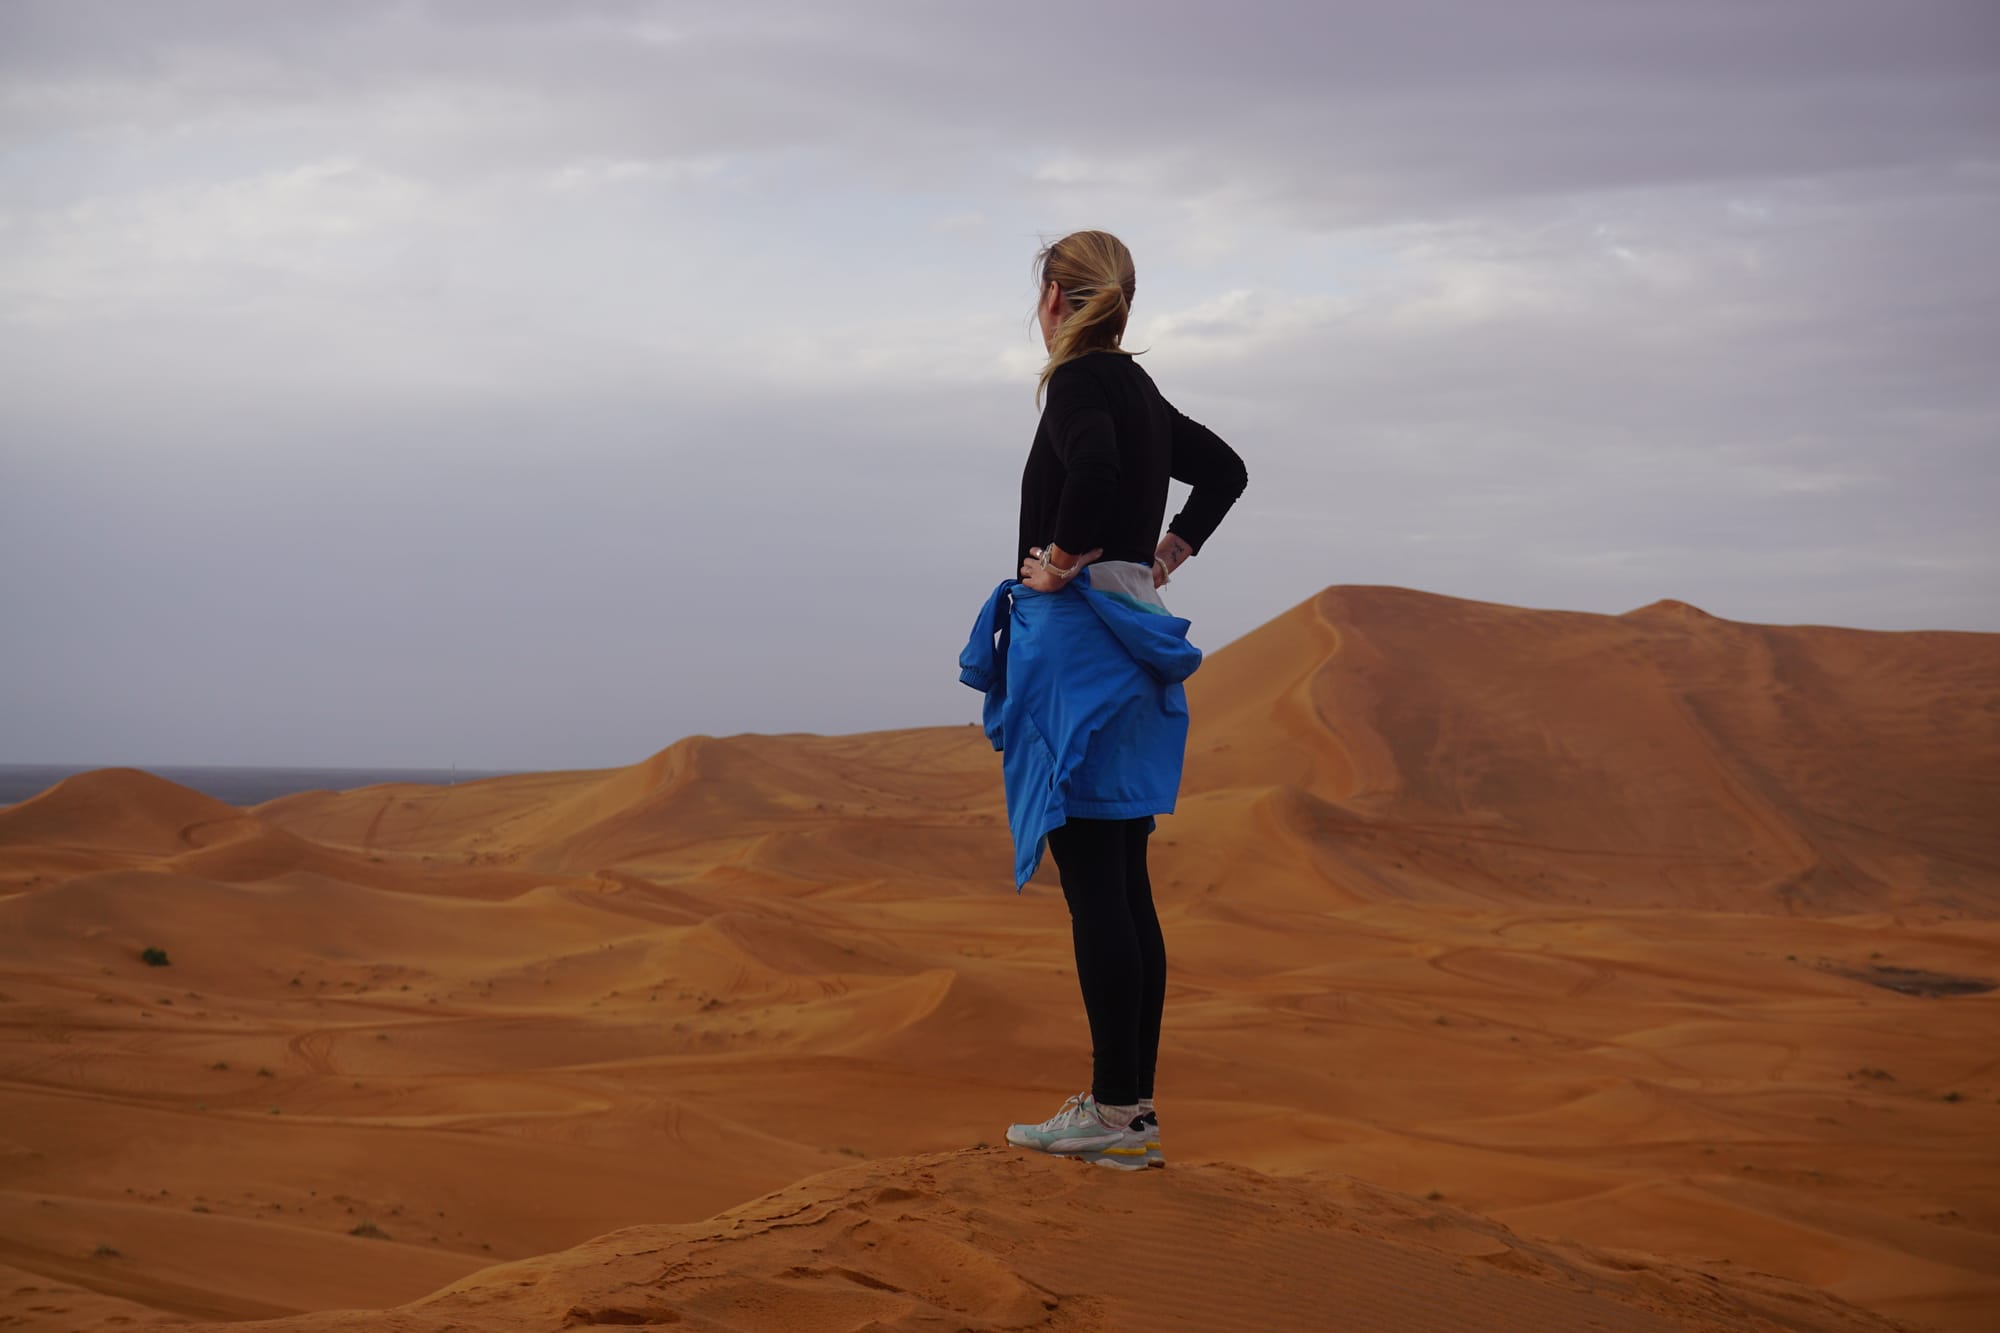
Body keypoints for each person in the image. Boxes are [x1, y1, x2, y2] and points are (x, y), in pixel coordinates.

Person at [991, 229, 1248, 1170]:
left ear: (1056, 299)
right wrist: (1168, 551)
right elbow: (1226, 470)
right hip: (1135, 636)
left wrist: (1059, 562)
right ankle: (1130, 1111)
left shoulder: (1078, 384)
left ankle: (1111, 1112)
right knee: (1123, 877)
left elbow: (1094, 470)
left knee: (1096, 881)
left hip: (1082, 648)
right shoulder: (1139, 390)